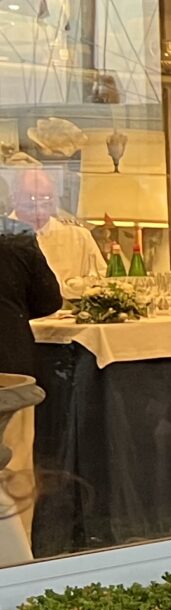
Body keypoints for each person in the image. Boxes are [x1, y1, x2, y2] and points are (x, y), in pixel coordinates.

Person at [0, 205, 59, 558]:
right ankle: (16, 555)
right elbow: (50, 299)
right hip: (8, 361)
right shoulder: (16, 237)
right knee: (13, 461)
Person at [5, 164, 105, 281]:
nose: (39, 204)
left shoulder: (79, 237)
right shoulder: (5, 237)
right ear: (15, 198)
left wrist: (76, 286)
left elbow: (104, 283)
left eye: (47, 197)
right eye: (32, 197)